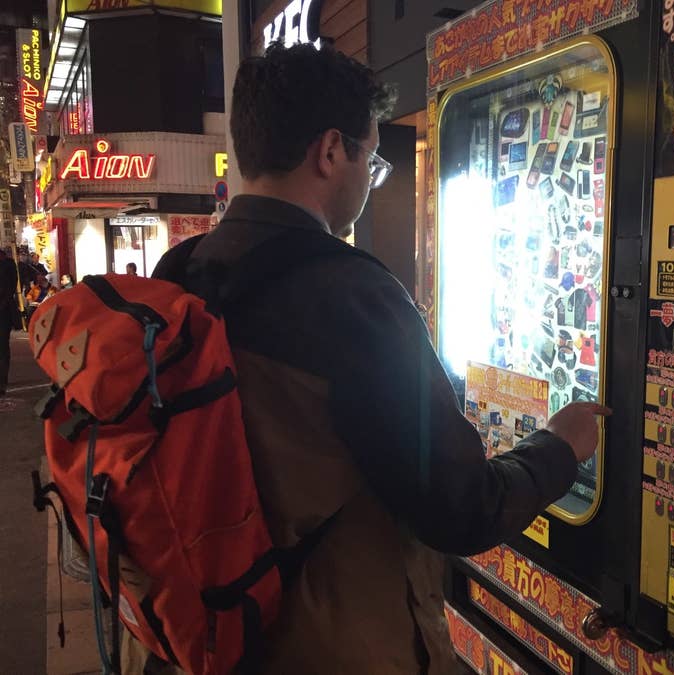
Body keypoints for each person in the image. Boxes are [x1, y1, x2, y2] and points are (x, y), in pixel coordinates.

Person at [147, 42, 610, 674]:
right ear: (332, 150)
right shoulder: (354, 297)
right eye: (373, 159)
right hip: (332, 643)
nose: (370, 177)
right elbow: (461, 508)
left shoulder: (182, 272)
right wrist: (561, 446)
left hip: (211, 627)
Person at [0, 248, 19, 397]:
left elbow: (10, 288)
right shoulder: (9, 265)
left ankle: (2, 382)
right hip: (4, 310)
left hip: (3, 311)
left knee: (2, 348)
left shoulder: (8, 265)